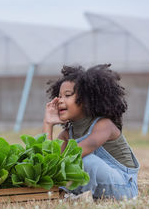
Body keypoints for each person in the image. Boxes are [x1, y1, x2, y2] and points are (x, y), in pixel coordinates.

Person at [42, 64, 139, 200]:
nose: (60, 100)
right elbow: (50, 165)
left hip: (123, 187)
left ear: (86, 99)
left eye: (67, 95)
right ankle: (76, 194)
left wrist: (56, 166)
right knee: (69, 165)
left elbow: (75, 155)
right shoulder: (66, 135)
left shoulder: (104, 125)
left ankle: (74, 193)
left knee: (85, 161)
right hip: (94, 185)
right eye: (59, 96)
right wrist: (48, 124)